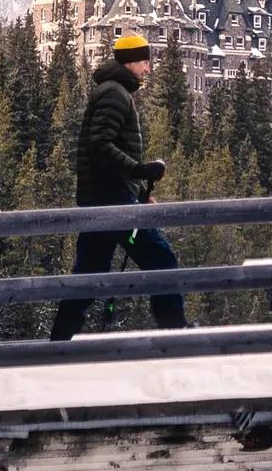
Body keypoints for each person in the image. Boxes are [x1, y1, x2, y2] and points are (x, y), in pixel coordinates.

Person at [49, 31, 185, 339]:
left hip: (107, 201)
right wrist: (138, 171)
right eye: (145, 62)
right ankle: (177, 338)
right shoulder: (114, 93)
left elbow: (105, 153)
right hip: (113, 204)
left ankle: (58, 344)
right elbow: (100, 146)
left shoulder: (114, 91)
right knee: (162, 260)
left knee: (88, 275)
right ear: (132, 62)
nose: (148, 69)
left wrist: (138, 193)